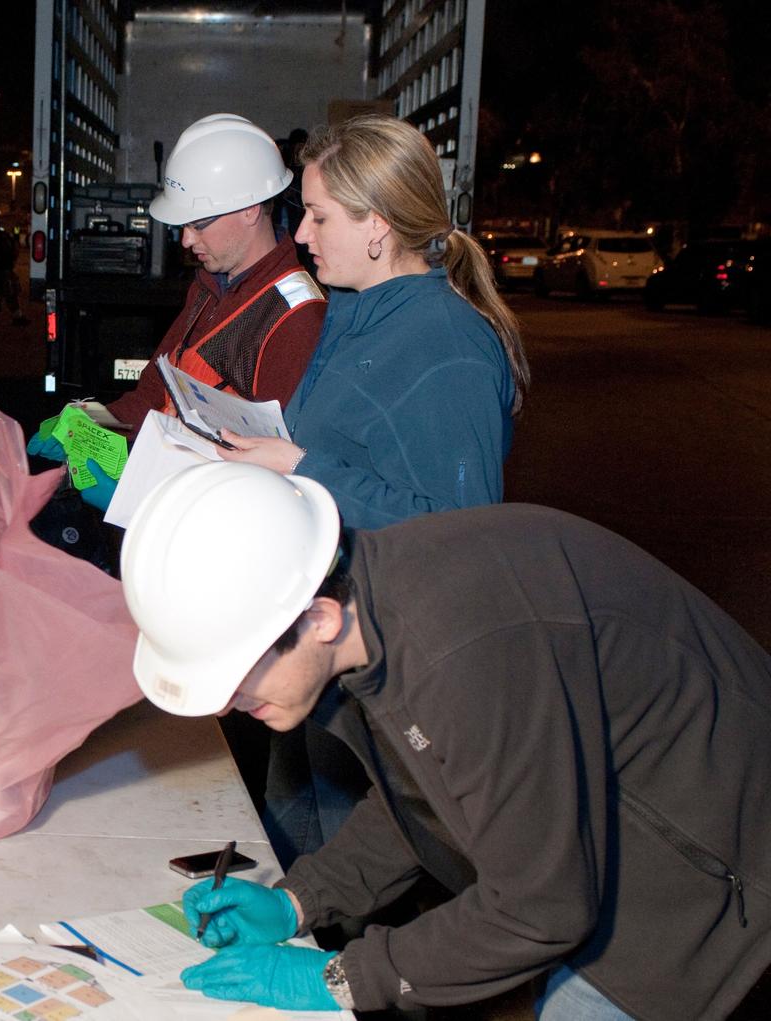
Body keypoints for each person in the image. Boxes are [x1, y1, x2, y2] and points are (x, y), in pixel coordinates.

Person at [119, 461, 771, 1020]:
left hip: (722, 895)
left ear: (316, 618)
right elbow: (429, 790)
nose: (229, 702)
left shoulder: (463, 653)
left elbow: (541, 907)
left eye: (233, 675)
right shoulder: (373, 609)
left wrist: (341, 977)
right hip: (615, 860)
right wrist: (299, 901)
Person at [216, 114, 532, 866]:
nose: (301, 235)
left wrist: (300, 467)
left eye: (320, 216)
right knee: (294, 841)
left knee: (347, 867)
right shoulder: (357, 311)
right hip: (326, 645)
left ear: (379, 227)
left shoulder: (446, 347)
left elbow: (463, 534)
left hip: (390, 664)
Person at [28, 113, 327, 511]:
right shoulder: (210, 286)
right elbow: (155, 394)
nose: (186, 240)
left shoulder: (295, 315)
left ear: (251, 209)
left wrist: (139, 492)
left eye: (199, 224)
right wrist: (93, 421)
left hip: (206, 525)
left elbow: (261, 476)